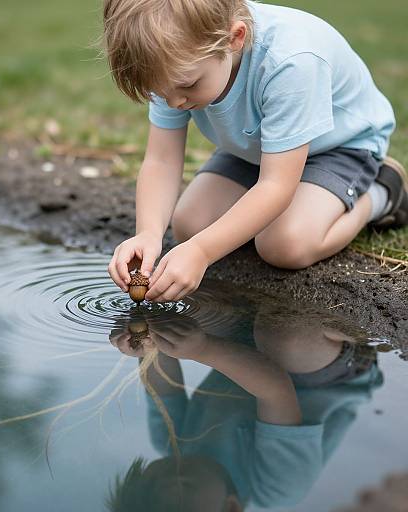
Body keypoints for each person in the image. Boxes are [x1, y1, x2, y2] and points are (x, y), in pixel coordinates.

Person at [103, 0, 407, 303]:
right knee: (190, 225)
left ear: (235, 39)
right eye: (159, 92)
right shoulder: (174, 64)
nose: (174, 103)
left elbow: (276, 185)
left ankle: (381, 193)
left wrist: (203, 251)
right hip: (258, 149)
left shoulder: (290, 61)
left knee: (284, 244)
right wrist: (148, 233)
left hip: (337, 146)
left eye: (189, 86)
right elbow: (162, 160)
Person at [106, 306, 383, 510]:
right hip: (323, 377)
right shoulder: (276, 489)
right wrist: (202, 348)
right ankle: (370, 318)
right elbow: (277, 391)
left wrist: (146, 345)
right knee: (286, 338)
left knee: (189, 304)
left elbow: (163, 385)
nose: (167, 489)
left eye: (151, 489)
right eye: (181, 505)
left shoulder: (170, 442)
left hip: (244, 349)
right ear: (230, 508)